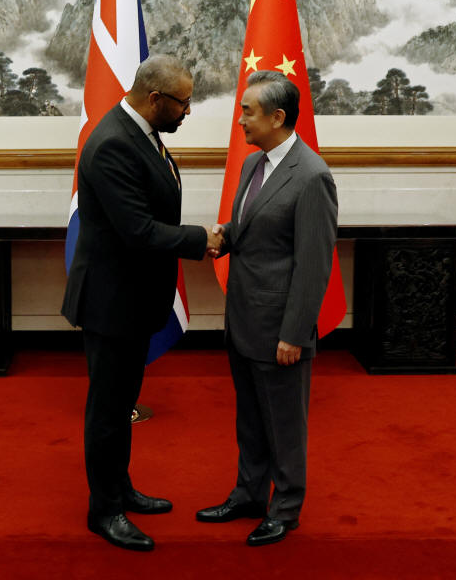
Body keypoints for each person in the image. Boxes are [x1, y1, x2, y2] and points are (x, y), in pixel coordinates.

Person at [62, 54, 223, 552]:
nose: (188, 112)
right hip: (111, 302)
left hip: (132, 298)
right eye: (183, 103)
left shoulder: (142, 132)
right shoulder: (113, 143)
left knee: (122, 404)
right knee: (108, 411)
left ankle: (121, 488)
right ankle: (104, 511)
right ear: (155, 99)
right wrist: (200, 240)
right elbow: (137, 230)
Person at [198, 70, 338, 547]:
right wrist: (220, 236)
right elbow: (251, 229)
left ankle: (285, 508)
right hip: (243, 319)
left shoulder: (312, 176)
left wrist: (294, 333)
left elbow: (314, 264)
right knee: (251, 419)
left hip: (280, 328)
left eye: (247, 112)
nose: (240, 121)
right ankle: (249, 495)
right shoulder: (252, 164)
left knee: (284, 424)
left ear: (277, 118)